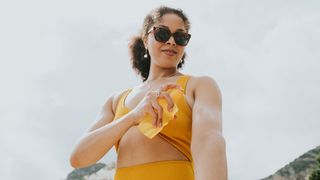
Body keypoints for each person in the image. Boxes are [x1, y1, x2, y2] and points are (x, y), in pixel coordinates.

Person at [69, 6, 228, 180]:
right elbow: (79, 157)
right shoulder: (115, 101)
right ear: (146, 40)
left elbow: (209, 142)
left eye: (180, 37)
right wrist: (133, 116)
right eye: (162, 33)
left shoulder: (199, 86)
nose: (171, 41)